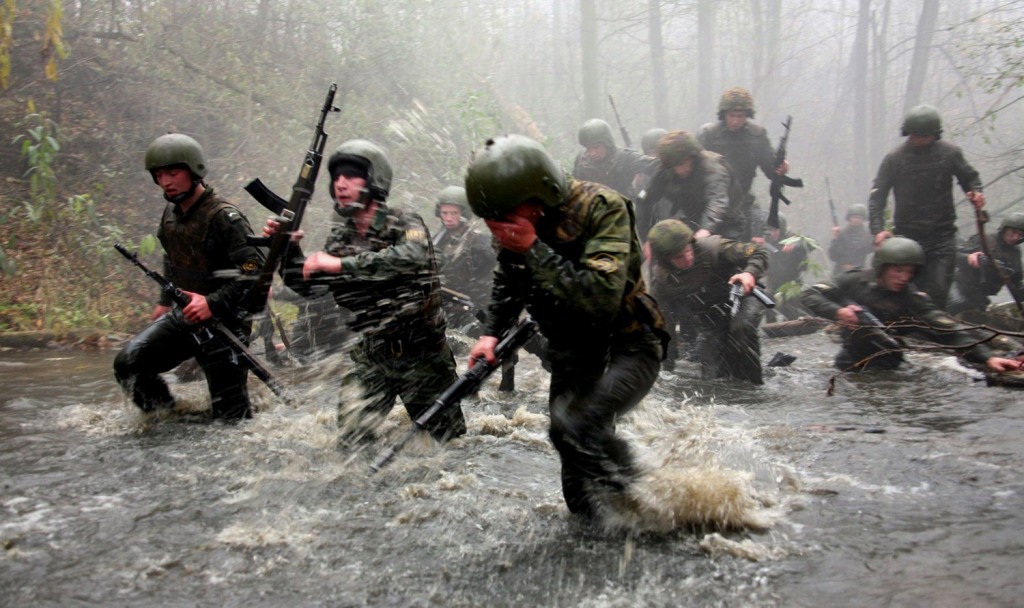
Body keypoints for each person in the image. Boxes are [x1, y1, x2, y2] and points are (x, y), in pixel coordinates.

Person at [464, 134, 667, 518]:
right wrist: (491, 333)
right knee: (564, 441)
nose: (500, 228)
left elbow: (600, 297)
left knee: (581, 421)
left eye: (507, 216)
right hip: (573, 347)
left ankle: (653, 505)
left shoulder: (603, 208)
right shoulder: (516, 222)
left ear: (538, 194)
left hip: (628, 341)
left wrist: (533, 248)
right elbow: (508, 279)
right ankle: (600, 528)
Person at [264, 139, 466, 444]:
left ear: (375, 181)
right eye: (336, 178)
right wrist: (287, 248)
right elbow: (312, 288)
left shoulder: (405, 221)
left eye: (351, 176)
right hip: (371, 357)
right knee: (350, 447)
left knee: (448, 446)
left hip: (423, 356)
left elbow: (409, 258)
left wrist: (339, 265)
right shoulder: (340, 239)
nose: (341, 184)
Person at [113, 133, 266, 421]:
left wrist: (213, 302)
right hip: (184, 317)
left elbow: (253, 268)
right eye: (159, 175)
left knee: (231, 419)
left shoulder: (224, 217)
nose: (166, 182)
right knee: (129, 362)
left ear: (194, 171)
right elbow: (171, 255)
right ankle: (167, 417)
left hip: (226, 324)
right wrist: (164, 300)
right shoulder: (171, 214)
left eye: (173, 172)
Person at [800, 236, 1019, 372]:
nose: (904, 277)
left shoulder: (913, 298)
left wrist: (988, 358)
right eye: (898, 270)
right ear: (882, 268)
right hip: (848, 360)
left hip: (888, 365)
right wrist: (838, 312)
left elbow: (951, 332)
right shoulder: (853, 280)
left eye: (910, 272)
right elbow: (809, 294)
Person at [868, 104, 986, 308]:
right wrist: (878, 229)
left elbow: (970, 178)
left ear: (935, 134)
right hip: (907, 236)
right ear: (908, 133)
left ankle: (934, 332)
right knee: (905, 290)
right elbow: (878, 195)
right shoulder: (895, 158)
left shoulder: (949, 153)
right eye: (915, 135)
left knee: (938, 290)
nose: (920, 140)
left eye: (925, 136)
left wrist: (975, 193)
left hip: (943, 235)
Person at [646, 218, 770, 384]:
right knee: (713, 376)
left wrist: (749, 273)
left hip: (744, 298)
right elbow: (665, 331)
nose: (688, 258)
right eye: (679, 257)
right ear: (665, 259)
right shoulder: (663, 282)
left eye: (688, 250)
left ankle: (755, 387)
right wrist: (663, 371)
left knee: (740, 331)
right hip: (712, 319)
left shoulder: (713, 248)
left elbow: (759, 252)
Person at [698, 87, 791, 242]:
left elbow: (770, 171)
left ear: (747, 115)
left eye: (740, 116)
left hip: (741, 206)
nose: (735, 120)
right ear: (724, 114)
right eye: (731, 115)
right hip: (709, 203)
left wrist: (781, 168)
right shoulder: (709, 135)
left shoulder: (757, 136)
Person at [637, 129, 743, 241]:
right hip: (694, 221)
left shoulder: (713, 168)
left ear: (692, 157)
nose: (679, 170)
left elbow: (717, 201)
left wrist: (706, 229)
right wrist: (647, 238)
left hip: (727, 224)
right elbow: (643, 200)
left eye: (681, 164)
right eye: (674, 166)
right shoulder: (667, 170)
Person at [432, 185, 497, 333]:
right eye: (444, 213)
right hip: (446, 308)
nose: (448, 218)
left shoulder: (480, 242)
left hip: (474, 310)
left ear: (464, 213)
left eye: (454, 213)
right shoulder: (438, 240)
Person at [947, 213, 1024, 315]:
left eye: (1020, 235)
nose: (1015, 237)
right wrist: (968, 258)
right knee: (957, 304)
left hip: (979, 297)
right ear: (1005, 229)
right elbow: (952, 256)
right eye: (1013, 232)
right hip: (960, 287)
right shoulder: (985, 239)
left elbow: (1016, 282)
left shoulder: (1015, 253)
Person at [571, 118, 656, 199]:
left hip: (621, 210)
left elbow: (655, 165)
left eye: (596, 147)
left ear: (607, 143)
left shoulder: (625, 158)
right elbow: (574, 188)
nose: (592, 153)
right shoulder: (582, 160)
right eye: (588, 148)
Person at [764, 213, 813, 321]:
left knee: (791, 313)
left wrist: (795, 246)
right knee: (766, 298)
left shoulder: (792, 238)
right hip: (773, 281)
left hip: (792, 282)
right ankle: (771, 325)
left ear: (781, 229)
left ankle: (798, 314)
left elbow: (810, 244)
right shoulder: (765, 241)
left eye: (775, 230)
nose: (772, 233)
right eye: (770, 230)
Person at [828, 203, 874, 276]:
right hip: (841, 273)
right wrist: (835, 239)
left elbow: (872, 249)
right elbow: (833, 256)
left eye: (858, 217)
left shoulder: (868, 235)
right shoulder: (841, 233)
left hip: (859, 273)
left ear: (863, 219)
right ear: (849, 218)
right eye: (853, 217)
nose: (855, 220)